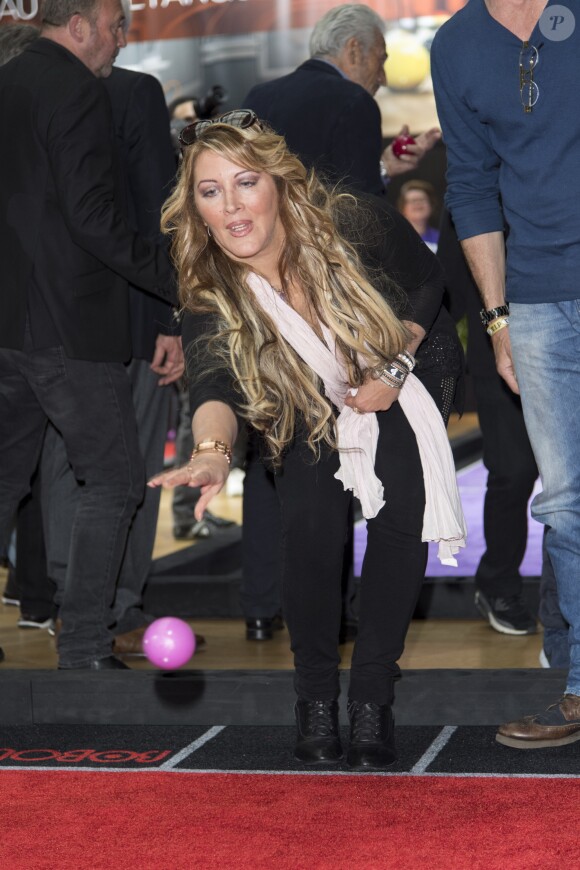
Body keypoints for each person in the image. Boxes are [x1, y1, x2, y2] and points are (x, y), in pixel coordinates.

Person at [148, 110, 466, 769]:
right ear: (196, 207)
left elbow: (427, 281)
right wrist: (208, 456)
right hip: (303, 397)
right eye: (211, 192)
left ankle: (373, 699)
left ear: (277, 183)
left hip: (404, 363)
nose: (232, 207)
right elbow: (212, 385)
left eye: (245, 183)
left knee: (400, 514)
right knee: (312, 532)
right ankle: (316, 699)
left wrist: (389, 368)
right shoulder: (212, 292)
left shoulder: (349, 220)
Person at [0, 0, 176, 670]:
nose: (120, 40)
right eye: (115, 26)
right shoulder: (77, 89)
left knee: (6, 481)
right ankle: (82, 647)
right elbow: (94, 220)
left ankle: (78, 638)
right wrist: (178, 281)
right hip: (69, 326)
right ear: (79, 26)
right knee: (114, 481)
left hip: (9, 325)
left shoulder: (8, 80)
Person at [431, 0, 580, 748]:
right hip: (536, 300)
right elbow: (471, 186)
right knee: (569, 503)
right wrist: (497, 319)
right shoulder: (456, 45)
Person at [243, 3, 441, 198]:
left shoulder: (257, 96)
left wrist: (385, 167)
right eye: (380, 60)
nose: (383, 78)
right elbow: (361, 208)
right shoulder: (354, 101)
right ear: (354, 49)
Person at [398, 180, 440, 252]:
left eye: (422, 200)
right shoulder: (396, 238)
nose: (418, 204)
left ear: (431, 206)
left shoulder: (441, 238)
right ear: (403, 208)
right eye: (413, 200)